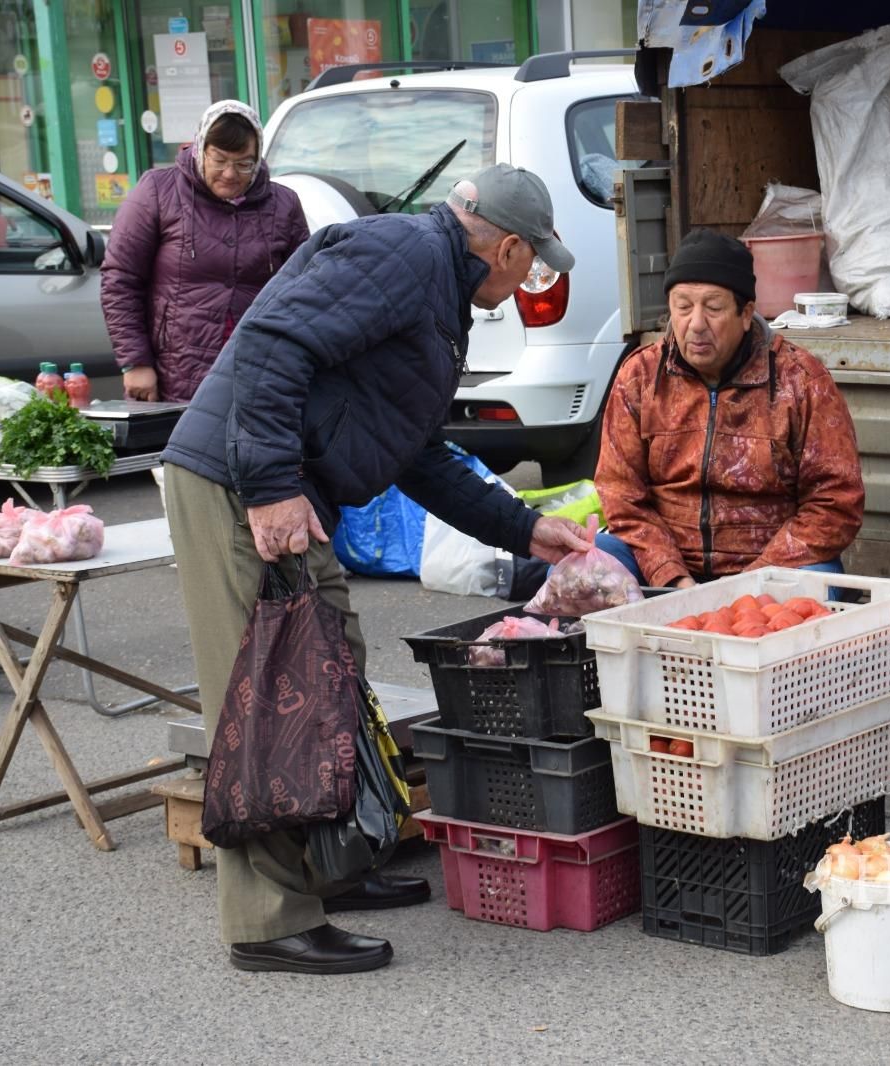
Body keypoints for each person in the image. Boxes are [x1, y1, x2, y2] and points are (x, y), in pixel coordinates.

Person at [159, 164, 592, 975]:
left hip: (283, 484)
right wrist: (272, 487)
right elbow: (271, 342)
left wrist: (528, 531)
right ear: (503, 246)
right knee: (267, 697)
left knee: (331, 669)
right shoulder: (404, 255)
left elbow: (418, 454)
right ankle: (266, 921)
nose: (528, 279)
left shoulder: (434, 287)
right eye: (532, 263)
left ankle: (330, 864)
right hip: (237, 481)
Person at [591, 229, 865, 588]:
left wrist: (752, 580)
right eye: (683, 307)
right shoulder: (640, 376)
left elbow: (835, 503)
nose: (696, 324)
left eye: (714, 307)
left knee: (817, 585)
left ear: (745, 312)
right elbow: (621, 494)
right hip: (665, 567)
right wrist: (671, 577)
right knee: (579, 568)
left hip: (770, 570)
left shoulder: (800, 379)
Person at [101, 100, 308, 403]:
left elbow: (306, 289)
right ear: (200, 148)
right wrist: (136, 362)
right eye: (219, 160)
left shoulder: (283, 205)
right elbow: (120, 280)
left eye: (243, 163)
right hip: (175, 373)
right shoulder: (158, 192)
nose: (229, 174)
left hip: (259, 371)